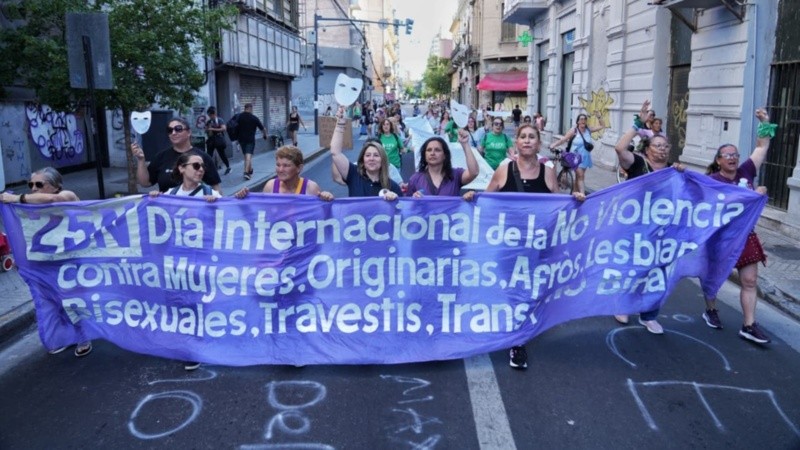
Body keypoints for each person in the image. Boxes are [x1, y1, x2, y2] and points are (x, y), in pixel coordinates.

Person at [463, 124, 585, 369]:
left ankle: (519, 330)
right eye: (523, 137)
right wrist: (471, 197)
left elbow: (558, 204)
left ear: (538, 144)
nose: (527, 141)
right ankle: (516, 341)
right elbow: (487, 200)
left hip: (537, 244)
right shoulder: (504, 169)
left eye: (532, 137)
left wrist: (576, 197)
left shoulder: (547, 172)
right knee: (512, 289)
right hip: (508, 244)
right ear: (516, 143)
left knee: (531, 290)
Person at [1, 167, 92, 358]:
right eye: (30, 185)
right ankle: (61, 337)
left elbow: (53, 200)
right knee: (47, 303)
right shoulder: (29, 206)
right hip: (43, 263)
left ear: (55, 186)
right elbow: (24, 233)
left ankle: (85, 336)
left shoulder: (67, 196)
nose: (33, 189)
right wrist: (20, 258)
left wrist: (17, 198)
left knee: (72, 301)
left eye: (39, 184)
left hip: (69, 261)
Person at [703, 108, 775, 344]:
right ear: (718, 160)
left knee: (750, 280)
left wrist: (765, 123)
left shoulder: (746, 170)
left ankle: (749, 325)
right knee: (713, 277)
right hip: (720, 237)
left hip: (745, 235)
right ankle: (711, 309)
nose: (732, 157)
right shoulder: (711, 182)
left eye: (735, 154)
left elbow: (761, 147)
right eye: (727, 155)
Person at [612, 106, 685, 334]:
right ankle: (623, 306)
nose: (661, 150)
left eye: (665, 146)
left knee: (656, 273)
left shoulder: (675, 170)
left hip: (663, 231)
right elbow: (619, 148)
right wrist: (637, 125)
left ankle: (649, 315)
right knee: (632, 268)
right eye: (657, 145)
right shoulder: (637, 164)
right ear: (648, 148)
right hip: (635, 228)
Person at [147, 153, 219, 370]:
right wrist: (153, 201)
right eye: (196, 165)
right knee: (176, 300)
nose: (201, 170)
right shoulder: (170, 194)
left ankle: (194, 345)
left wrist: (216, 206)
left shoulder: (210, 194)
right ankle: (184, 338)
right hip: (174, 258)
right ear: (181, 169)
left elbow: (226, 222)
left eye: (203, 167)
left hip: (200, 258)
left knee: (196, 301)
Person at [132, 117, 222, 193]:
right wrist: (141, 159)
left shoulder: (202, 158)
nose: (173, 133)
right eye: (170, 130)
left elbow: (216, 188)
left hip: (195, 212)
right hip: (168, 211)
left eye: (178, 129)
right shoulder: (161, 157)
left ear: (189, 132)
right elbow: (145, 183)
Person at [330, 108, 402, 199]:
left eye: (376, 155)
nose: (371, 158)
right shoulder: (353, 174)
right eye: (368, 155)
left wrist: (394, 199)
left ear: (383, 159)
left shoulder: (393, 187)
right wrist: (340, 123)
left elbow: (401, 209)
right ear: (362, 159)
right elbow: (335, 152)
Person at [235, 146, 333, 200]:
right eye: (278, 165)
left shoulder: (311, 188)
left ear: (299, 168)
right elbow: (261, 216)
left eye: (286, 166)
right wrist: (242, 199)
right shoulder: (271, 187)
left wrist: (327, 200)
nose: (280, 170)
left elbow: (323, 220)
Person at [405, 129, 479, 197]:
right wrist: (413, 199)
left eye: (437, 150)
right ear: (424, 155)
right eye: (429, 150)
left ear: (445, 155)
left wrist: (465, 144)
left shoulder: (455, 175)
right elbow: (408, 206)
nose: (432, 153)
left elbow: (474, 172)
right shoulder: (415, 179)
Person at [549, 113, 605, 194]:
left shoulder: (588, 130)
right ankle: (582, 195)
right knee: (581, 176)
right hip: (575, 158)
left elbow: (602, 126)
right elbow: (564, 139)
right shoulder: (574, 131)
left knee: (579, 177)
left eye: (585, 119)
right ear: (578, 121)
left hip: (585, 157)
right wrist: (554, 144)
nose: (583, 121)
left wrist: (599, 116)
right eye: (581, 119)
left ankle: (574, 194)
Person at [237, 103, 268, 180]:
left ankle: (250, 170)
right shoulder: (254, 118)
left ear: (245, 108)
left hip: (241, 139)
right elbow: (263, 128)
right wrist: (265, 135)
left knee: (246, 156)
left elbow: (234, 126)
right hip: (250, 140)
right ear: (250, 108)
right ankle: (246, 172)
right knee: (248, 156)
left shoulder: (239, 117)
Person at [204, 107, 231, 175]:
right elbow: (208, 132)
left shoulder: (219, 120)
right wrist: (207, 129)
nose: (210, 116)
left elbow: (224, 128)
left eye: (210, 115)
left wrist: (212, 129)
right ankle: (208, 170)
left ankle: (228, 167)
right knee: (209, 155)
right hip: (211, 140)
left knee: (222, 154)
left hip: (218, 140)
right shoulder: (209, 122)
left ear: (214, 114)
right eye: (209, 115)